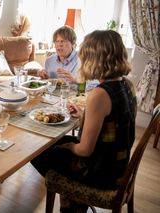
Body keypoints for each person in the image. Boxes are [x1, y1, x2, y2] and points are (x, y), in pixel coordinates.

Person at [31, 30, 137, 212]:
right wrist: (84, 115)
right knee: (53, 144)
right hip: (117, 162)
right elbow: (113, 124)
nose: (82, 59)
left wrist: (66, 148)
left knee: (36, 151)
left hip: (101, 171)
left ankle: (72, 197)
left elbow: (84, 150)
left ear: (95, 59)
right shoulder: (126, 84)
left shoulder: (99, 94)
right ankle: (73, 200)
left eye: (85, 55)